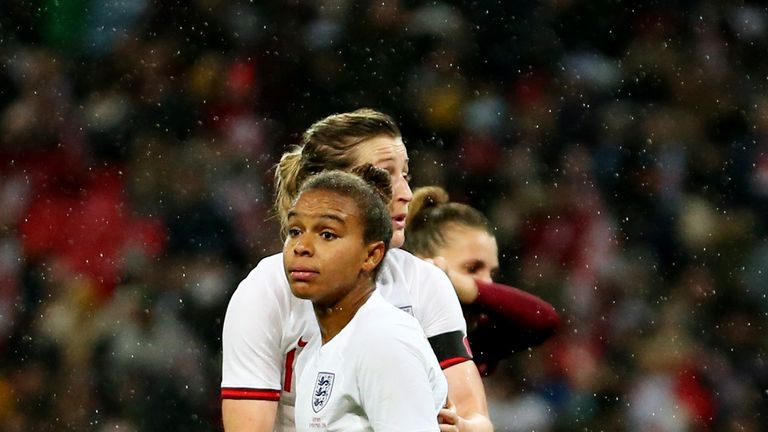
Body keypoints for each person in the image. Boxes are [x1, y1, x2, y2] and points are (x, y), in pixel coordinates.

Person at [221, 109, 492, 432]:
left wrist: (462, 427)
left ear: (372, 256)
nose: (405, 193)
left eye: (404, 174)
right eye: (383, 175)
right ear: (330, 187)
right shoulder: (266, 293)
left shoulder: (411, 298)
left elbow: (476, 418)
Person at [285, 167, 447, 431]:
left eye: (327, 234)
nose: (301, 246)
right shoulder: (314, 350)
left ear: (371, 255)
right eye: (295, 231)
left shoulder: (383, 340)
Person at [404, 186, 561, 375]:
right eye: (472, 269)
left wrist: (457, 282)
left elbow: (544, 319)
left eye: (492, 274)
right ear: (424, 261)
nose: (487, 283)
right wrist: (432, 275)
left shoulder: (475, 338)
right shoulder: (398, 324)